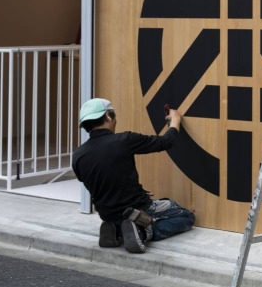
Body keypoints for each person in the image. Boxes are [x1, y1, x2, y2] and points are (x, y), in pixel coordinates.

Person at [72, 98, 195, 254]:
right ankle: (143, 232)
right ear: (109, 116)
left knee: (128, 214)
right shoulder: (124, 140)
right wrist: (175, 120)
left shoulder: (78, 155)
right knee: (186, 216)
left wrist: (135, 191)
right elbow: (165, 142)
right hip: (137, 208)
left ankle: (115, 229)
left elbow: (103, 180)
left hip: (107, 213)